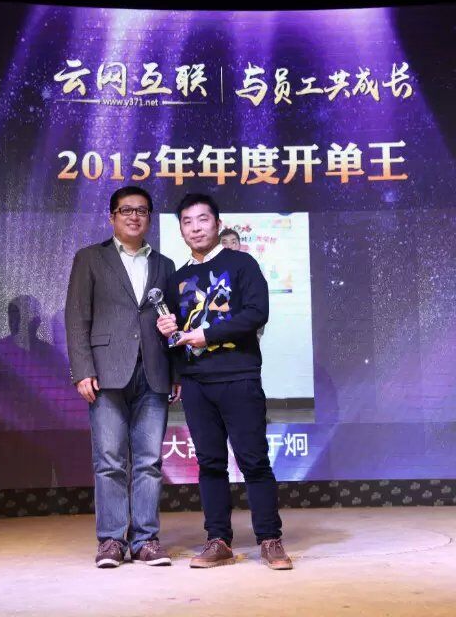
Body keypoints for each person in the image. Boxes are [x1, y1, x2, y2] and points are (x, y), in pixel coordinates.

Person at [157, 193, 292, 570]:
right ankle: (218, 541)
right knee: (210, 464)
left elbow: (257, 313)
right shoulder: (177, 279)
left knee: (254, 460)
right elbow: (177, 335)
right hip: (196, 383)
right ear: (181, 229)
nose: (196, 228)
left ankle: (270, 539)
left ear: (218, 224)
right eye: (187, 221)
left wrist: (207, 335)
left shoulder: (242, 264)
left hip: (239, 377)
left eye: (203, 219)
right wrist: (166, 330)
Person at [65, 186, 179, 568]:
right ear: (111, 216)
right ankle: (112, 540)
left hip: (154, 372)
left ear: (149, 218)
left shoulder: (164, 265)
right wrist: (82, 370)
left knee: (149, 462)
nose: (134, 216)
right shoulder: (90, 258)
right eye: (126, 210)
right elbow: (76, 317)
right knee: (110, 461)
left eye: (141, 211)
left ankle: (146, 540)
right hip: (106, 373)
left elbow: (172, 322)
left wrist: (175, 370)